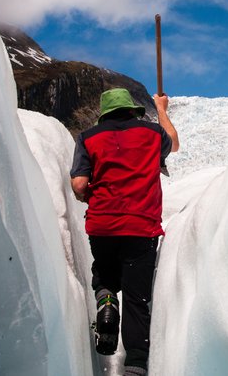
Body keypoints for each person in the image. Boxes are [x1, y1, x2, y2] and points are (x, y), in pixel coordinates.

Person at [70, 88, 179, 376]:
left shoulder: (87, 138)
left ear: (104, 113)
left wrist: (90, 196)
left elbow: (79, 184)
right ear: (133, 110)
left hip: (102, 224)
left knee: (105, 274)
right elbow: (175, 145)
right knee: (136, 298)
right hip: (141, 226)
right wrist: (162, 110)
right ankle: (135, 365)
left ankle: (106, 301)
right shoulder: (153, 134)